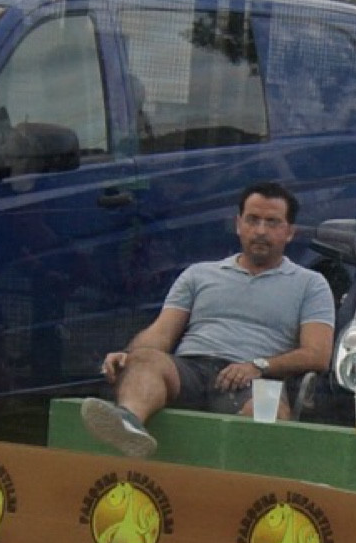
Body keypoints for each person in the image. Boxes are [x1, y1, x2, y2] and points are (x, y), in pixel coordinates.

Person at [80, 181, 335, 459]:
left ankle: (237, 477)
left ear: (289, 232)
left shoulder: (310, 284)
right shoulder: (198, 274)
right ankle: (128, 424)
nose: (260, 231)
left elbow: (317, 354)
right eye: (252, 220)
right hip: (191, 368)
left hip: (254, 378)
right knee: (145, 359)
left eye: (272, 222)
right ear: (238, 224)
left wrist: (259, 366)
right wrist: (129, 356)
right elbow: (161, 332)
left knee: (269, 411)